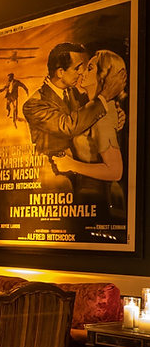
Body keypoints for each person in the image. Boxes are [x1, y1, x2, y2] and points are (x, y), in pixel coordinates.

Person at [52, 49, 127, 220]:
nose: (83, 73)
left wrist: (72, 164)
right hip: (86, 191)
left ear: (102, 76)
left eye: (90, 68)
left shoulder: (103, 115)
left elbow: (115, 171)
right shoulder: (93, 108)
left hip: (95, 193)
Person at [22, 42, 126, 164]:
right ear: (60, 72)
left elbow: (91, 113)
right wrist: (104, 97)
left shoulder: (73, 93)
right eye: (77, 68)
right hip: (54, 174)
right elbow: (67, 126)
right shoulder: (34, 104)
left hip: (79, 169)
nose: (81, 72)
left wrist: (116, 115)